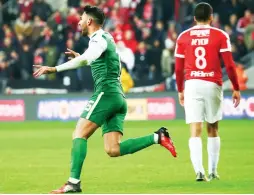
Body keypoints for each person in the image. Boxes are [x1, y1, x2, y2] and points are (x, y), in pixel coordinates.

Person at [33, 5, 177, 193]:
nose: (79, 22)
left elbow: (87, 59)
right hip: (117, 97)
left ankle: (73, 182)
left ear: (90, 21)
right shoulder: (106, 38)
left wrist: (54, 69)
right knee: (113, 149)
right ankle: (158, 137)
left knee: (79, 134)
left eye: (82, 19)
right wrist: (82, 57)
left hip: (106, 94)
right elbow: (98, 60)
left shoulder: (99, 38)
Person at [174, 2, 241, 181]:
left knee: (195, 129)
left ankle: (199, 171)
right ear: (212, 17)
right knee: (213, 128)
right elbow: (229, 64)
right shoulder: (220, 35)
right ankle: (213, 171)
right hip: (212, 83)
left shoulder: (183, 37)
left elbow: (178, 68)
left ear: (194, 18)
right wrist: (236, 87)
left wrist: (180, 89)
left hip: (193, 84)